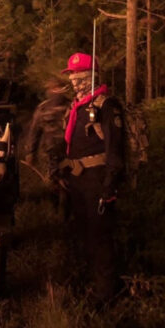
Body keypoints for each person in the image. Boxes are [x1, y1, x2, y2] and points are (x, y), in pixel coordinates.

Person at [59, 52, 124, 305]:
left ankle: (105, 296)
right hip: (78, 180)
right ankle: (89, 283)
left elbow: (115, 151)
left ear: (93, 77)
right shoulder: (78, 105)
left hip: (97, 180)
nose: (74, 80)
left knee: (100, 238)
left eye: (80, 75)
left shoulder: (106, 106)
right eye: (72, 75)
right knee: (83, 233)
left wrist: (109, 187)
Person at [24, 76, 72, 218]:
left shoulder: (70, 106)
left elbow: (34, 132)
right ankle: (59, 213)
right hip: (56, 153)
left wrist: (30, 152)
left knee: (62, 184)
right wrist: (30, 152)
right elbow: (35, 131)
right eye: (54, 88)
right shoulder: (47, 108)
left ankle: (62, 214)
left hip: (63, 152)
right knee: (56, 184)